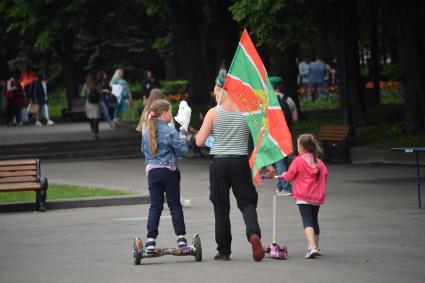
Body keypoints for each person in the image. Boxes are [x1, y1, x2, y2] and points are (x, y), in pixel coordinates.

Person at [195, 74, 265, 262]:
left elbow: (200, 141)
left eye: (216, 90)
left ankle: (224, 251)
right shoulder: (246, 112)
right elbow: (259, 136)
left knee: (221, 207)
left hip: (219, 163)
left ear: (221, 90)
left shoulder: (213, 112)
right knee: (247, 202)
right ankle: (253, 233)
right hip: (240, 161)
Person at [141, 99, 188, 252]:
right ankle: (181, 238)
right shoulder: (170, 131)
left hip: (153, 172)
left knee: (155, 206)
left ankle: (150, 240)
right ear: (164, 113)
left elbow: (144, 150)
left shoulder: (146, 131)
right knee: (174, 205)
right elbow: (183, 151)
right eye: (170, 112)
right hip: (169, 172)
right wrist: (183, 132)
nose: (172, 115)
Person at [278, 134, 328, 259]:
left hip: (303, 196)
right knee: (314, 220)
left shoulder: (298, 161)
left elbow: (289, 176)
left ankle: (311, 247)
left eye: (298, 144)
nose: (297, 147)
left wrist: (284, 175)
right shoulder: (319, 162)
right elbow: (324, 175)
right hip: (316, 196)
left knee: (307, 221)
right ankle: (316, 246)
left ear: (302, 147)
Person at [270, 76, 298, 196]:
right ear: (280, 86)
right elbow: (295, 119)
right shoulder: (289, 100)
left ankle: (280, 187)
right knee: (283, 161)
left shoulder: (267, 101)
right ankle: (285, 187)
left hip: (273, 134)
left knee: (279, 161)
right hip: (286, 133)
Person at [83, 72, 101, 139]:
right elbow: (100, 93)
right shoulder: (98, 84)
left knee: (90, 117)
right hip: (96, 103)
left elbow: (84, 94)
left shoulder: (86, 85)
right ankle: (95, 131)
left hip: (89, 103)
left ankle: (92, 128)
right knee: (96, 117)